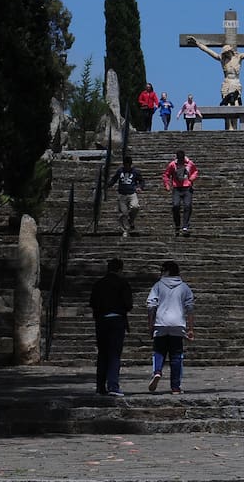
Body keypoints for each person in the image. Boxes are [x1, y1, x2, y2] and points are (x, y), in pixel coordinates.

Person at [184, 35, 244, 109]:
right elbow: (208, 50)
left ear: (230, 51)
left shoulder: (239, 57)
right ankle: (230, 126)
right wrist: (197, 43)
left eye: (227, 52)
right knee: (226, 104)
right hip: (226, 83)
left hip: (236, 82)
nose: (226, 54)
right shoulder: (222, 59)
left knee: (236, 104)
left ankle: (234, 127)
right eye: (225, 53)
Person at [146, 260, 194, 394]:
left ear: (165, 272)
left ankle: (157, 372)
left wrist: (151, 325)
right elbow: (190, 308)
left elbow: (151, 306)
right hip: (178, 324)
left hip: (161, 322)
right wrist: (190, 328)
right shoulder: (184, 287)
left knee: (159, 351)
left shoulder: (158, 286)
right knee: (176, 355)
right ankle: (175, 387)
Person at [89, 257, 132, 396]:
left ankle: (100, 387)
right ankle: (113, 385)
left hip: (101, 320)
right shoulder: (122, 283)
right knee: (114, 354)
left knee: (102, 354)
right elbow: (128, 304)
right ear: (120, 269)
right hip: (117, 319)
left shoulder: (99, 283)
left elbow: (92, 302)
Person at [105, 155, 145, 237]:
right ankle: (125, 230)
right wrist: (107, 185)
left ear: (130, 164)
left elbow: (141, 181)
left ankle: (131, 220)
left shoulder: (135, 172)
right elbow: (114, 179)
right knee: (123, 213)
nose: (127, 166)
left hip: (132, 193)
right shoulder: (120, 171)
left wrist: (140, 187)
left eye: (128, 165)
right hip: (122, 194)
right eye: (125, 165)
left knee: (135, 207)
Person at [162, 149, 199, 235]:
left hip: (187, 188)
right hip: (177, 188)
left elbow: (195, 171)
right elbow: (166, 174)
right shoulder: (172, 164)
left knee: (187, 205)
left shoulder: (189, 163)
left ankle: (185, 225)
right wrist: (167, 184)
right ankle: (177, 225)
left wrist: (191, 179)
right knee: (175, 205)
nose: (181, 161)